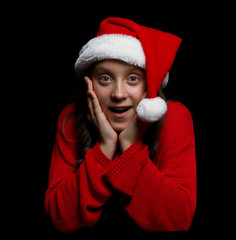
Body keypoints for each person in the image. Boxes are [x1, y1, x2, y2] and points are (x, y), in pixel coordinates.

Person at [44, 17, 196, 233]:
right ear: (89, 83)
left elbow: (178, 219)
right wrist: (105, 147)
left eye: (133, 78)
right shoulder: (70, 118)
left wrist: (129, 142)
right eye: (105, 78)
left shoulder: (174, 117)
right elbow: (61, 218)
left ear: (150, 84)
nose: (118, 94)